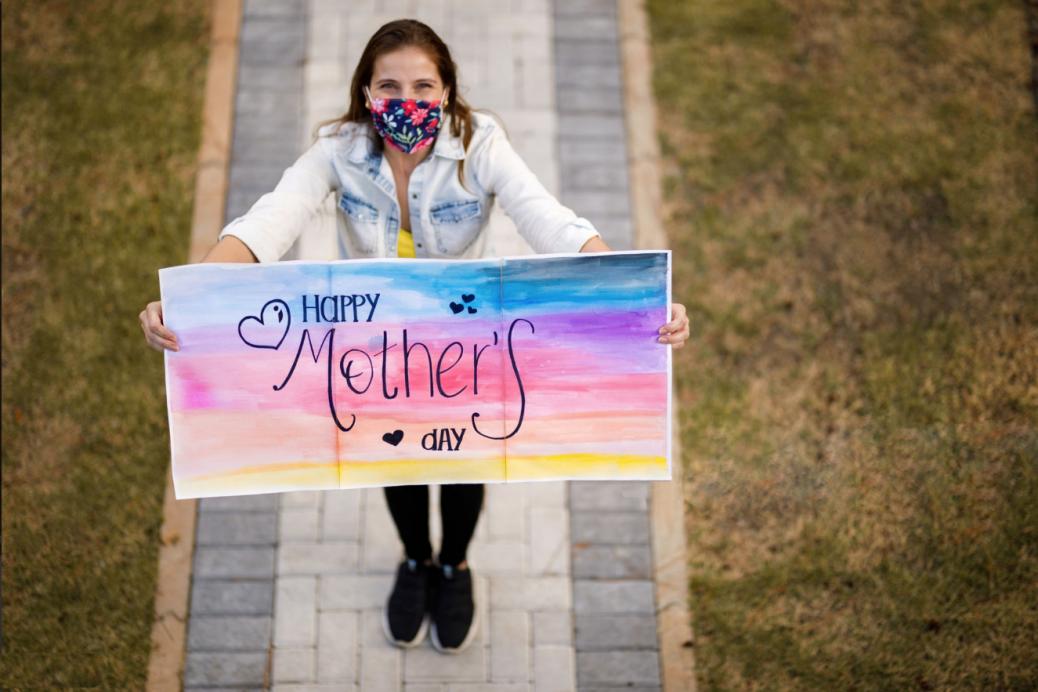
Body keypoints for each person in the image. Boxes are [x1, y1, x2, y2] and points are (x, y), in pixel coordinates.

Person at [139, 19, 690, 654]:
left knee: (466, 459)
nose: (409, 101)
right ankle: (415, 559)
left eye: (425, 86)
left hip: (465, 344)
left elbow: (550, 221)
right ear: (367, 94)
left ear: (449, 91)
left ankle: (453, 566)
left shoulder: (480, 145)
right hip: (373, 347)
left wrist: (633, 294)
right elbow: (269, 223)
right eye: (390, 86)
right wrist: (194, 298)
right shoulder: (337, 150)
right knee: (393, 458)